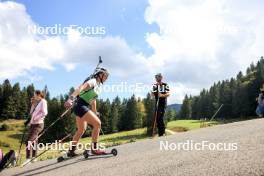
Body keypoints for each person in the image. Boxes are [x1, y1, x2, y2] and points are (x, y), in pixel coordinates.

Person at [64, 67, 109, 156]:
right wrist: (71, 98)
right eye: (105, 76)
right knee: (97, 124)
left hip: (81, 106)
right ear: (100, 74)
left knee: (81, 130)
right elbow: (81, 87)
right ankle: (94, 149)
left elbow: (93, 100)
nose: (106, 78)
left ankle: (71, 151)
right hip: (80, 105)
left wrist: (95, 112)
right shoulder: (93, 81)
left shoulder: (99, 86)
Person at [22, 90, 48, 166]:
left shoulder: (43, 101)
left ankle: (27, 159)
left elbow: (45, 112)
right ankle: (34, 157)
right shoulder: (37, 103)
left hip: (39, 124)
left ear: (39, 95)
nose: (34, 96)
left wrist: (36, 118)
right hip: (33, 124)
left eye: (34, 95)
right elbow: (31, 113)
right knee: (34, 141)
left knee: (29, 141)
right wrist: (33, 104)